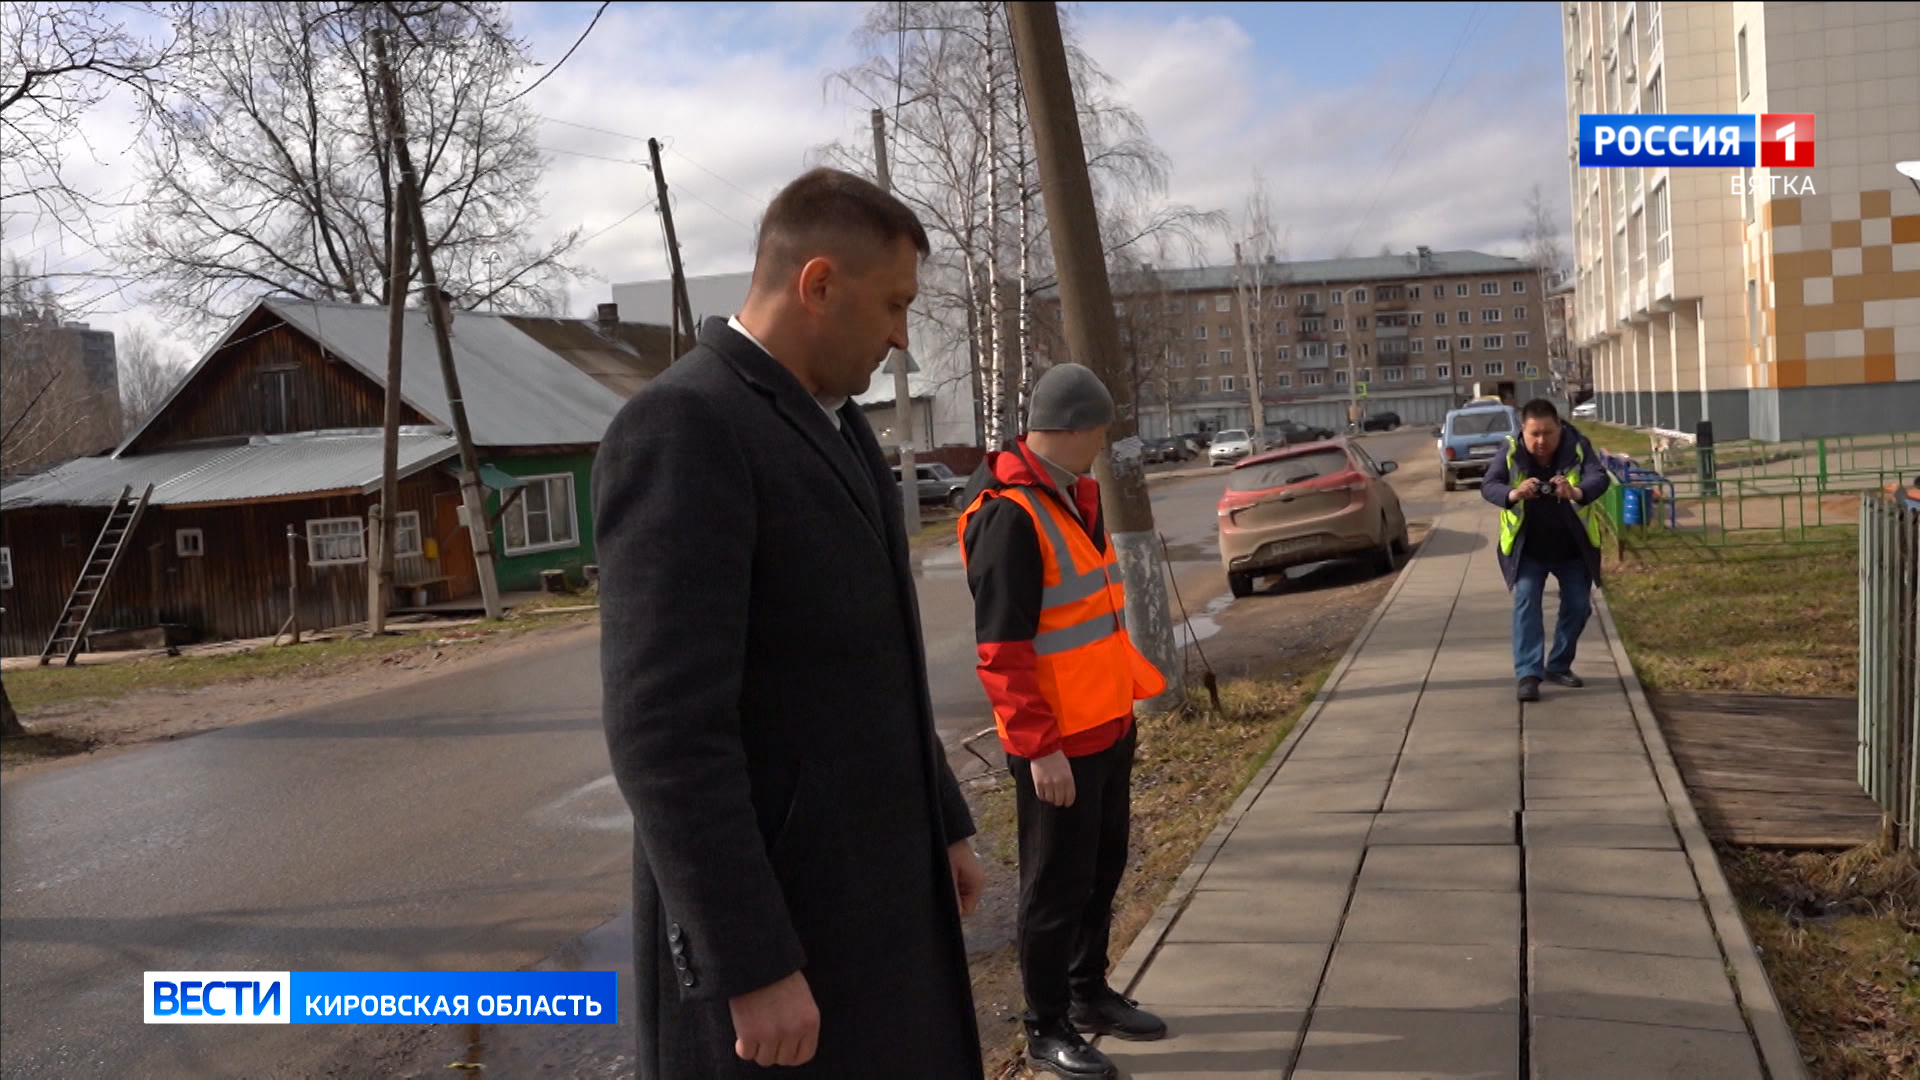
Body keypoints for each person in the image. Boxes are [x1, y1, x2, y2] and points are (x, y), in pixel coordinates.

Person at [593, 167, 985, 1078]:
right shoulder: (685, 425)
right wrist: (750, 958)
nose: (900, 338)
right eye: (893, 306)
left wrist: (945, 822)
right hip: (787, 952)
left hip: (877, 907)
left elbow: (873, 662)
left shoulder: (839, 427)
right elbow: (664, 729)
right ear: (817, 285)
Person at [956, 363, 1169, 1080]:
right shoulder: (1010, 513)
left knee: (1101, 872)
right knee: (1054, 888)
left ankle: (1089, 996)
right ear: (1076, 428)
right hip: (1058, 748)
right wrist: (1037, 748)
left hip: (1107, 727)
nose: (1106, 439)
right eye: (1101, 427)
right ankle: (1045, 1026)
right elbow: (1002, 651)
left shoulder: (1074, 497)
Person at [1481, 398, 1612, 703]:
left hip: (1572, 547)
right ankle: (1528, 674)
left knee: (1579, 606)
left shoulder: (1577, 446)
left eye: (1548, 433)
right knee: (1526, 602)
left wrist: (1575, 492)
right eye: (1534, 434)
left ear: (1560, 428)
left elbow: (1599, 477)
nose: (1541, 441)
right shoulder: (1511, 450)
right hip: (1528, 549)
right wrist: (1514, 493)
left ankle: (1558, 665)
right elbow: (1489, 484)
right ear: (1522, 432)